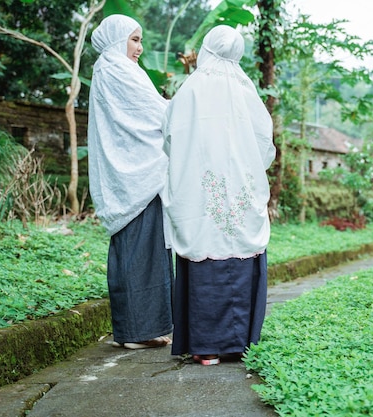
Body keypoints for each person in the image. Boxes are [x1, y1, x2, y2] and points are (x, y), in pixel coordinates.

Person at [161, 25, 276, 365]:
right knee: (239, 249)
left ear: (208, 49)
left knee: (206, 249)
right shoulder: (246, 89)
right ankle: (239, 343)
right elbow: (264, 143)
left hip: (201, 194)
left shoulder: (191, 88)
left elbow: (170, 137)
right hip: (240, 191)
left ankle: (205, 346)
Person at [88, 14, 173, 349]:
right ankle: (136, 331)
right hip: (135, 175)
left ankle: (147, 328)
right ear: (117, 38)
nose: (139, 48)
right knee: (138, 252)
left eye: (140, 41)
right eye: (134, 39)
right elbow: (155, 114)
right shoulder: (115, 69)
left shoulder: (111, 70)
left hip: (137, 174)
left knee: (146, 251)